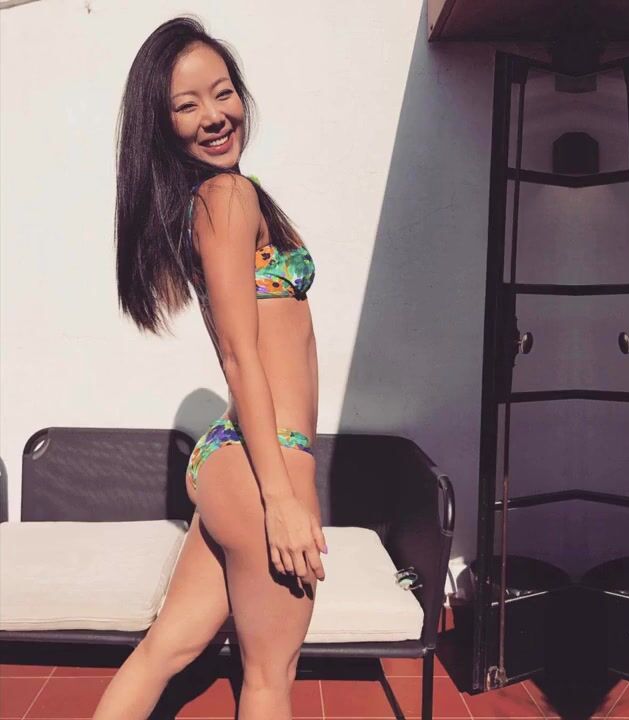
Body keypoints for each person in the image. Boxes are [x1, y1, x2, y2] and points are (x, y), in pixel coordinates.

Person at [96, 17, 326, 719]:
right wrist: (281, 497)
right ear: (162, 125)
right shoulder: (225, 197)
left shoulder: (220, 196)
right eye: (187, 105)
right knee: (268, 678)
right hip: (266, 458)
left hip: (231, 457)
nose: (215, 115)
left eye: (223, 93)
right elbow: (238, 352)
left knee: (165, 648)